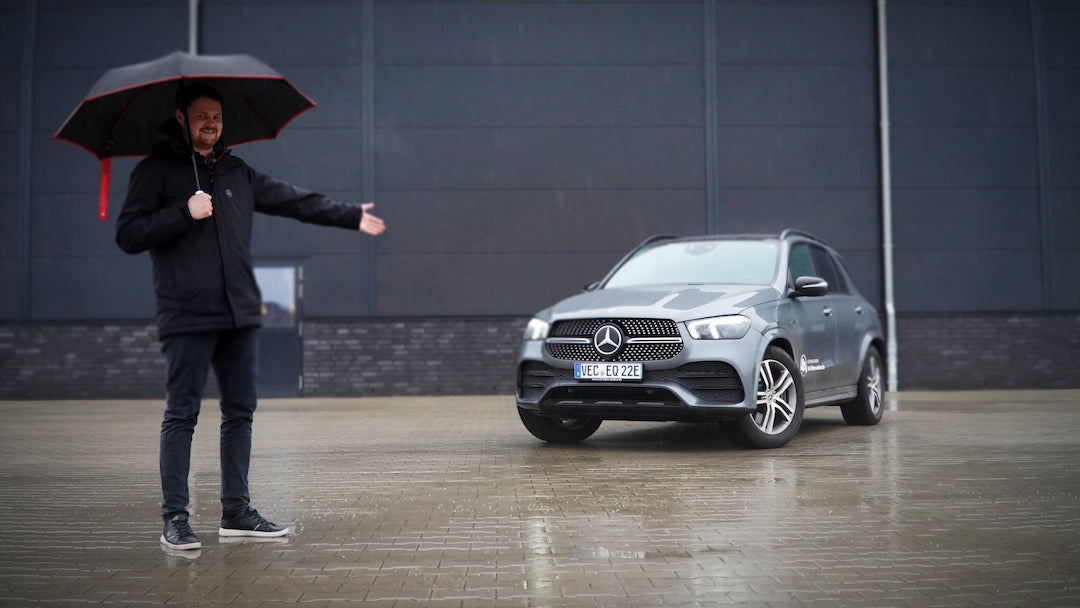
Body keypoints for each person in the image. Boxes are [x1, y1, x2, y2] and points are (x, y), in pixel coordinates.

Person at [116, 82, 385, 550]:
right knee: (182, 414)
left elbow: (295, 201)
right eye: (201, 116)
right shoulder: (156, 172)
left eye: (216, 117)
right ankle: (175, 518)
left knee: (241, 413)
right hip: (186, 314)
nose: (210, 124)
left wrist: (348, 216)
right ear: (181, 118)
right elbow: (129, 234)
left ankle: (236, 513)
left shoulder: (236, 173)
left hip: (239, 313)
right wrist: (183, 211)